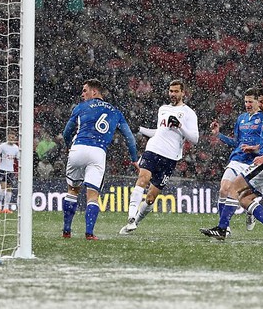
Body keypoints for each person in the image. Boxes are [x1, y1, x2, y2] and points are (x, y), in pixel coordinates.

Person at [199, 87, 263, 243]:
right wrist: (219, 135)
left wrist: (261, 154)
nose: (250, 104)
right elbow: (240, 143)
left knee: (234, 188)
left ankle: (222, 228)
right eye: (246, 101)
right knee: (239, 197)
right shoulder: (246, 118)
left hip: (260, 162)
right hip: (245, 160)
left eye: (255, 101)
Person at [61, 78, 139, 240]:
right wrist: (134, 159)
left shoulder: (81, 107)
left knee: (72, 191)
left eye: (85, 90)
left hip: (79, 148)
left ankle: (67, 230)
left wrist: (69, 145)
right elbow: (130, 138)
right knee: (93, 195)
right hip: (98, 152)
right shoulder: (115, 111)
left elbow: (67, 132)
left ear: (94, 92)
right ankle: (89, 233)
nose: (82, 94)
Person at [119, 79, 199, 235]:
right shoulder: (163, 109)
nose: (173, 94)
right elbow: (159, 132)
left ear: (183, 93)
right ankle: (130, 219)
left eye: (176, 91)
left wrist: (180, 126)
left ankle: (135, 222)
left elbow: (195, 139)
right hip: (153, 150)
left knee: (150, 198)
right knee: (142, 179)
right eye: (171, 91)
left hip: (170, 158)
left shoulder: (189, 113)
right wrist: (140, 129)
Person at [210, 87, 263, 234]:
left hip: (253, 162)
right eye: (245, 101)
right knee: (223, 189)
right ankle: (224, 227)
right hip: (237, 159)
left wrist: (254, 148)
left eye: (250, 101)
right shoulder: (241, 119)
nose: (247, 104)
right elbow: (237, 143)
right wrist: (218, 135)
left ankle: (251, 210)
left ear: (258, 102)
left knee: (243, 197)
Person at [0, 131, 21, 214]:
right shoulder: (2, 146)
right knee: (3, 187)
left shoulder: (16, 148)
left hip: (10, 170)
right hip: (2, 169)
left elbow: (18, 159)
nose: (12, 139)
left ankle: (6, 208)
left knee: (9, 189)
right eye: (10, 137)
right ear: (7, 137)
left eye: (13, 137)